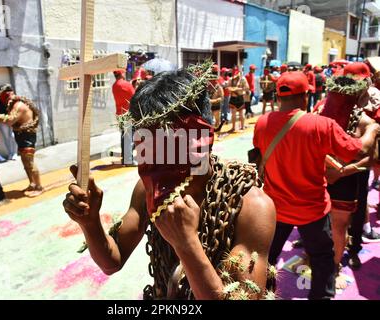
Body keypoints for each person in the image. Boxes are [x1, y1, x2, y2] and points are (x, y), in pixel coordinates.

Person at [63, 64, 277, 300]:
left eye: (171, 143)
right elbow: (112, 262)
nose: (158, 160)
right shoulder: (147, 190)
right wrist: (90, 222)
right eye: (148, 148)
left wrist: (186, 243)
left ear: (202, 139)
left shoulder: (252, 207)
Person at [254, 71, 379, 300]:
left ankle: (264, 294)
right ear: (306, 97)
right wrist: (372, 130)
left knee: (267, 257)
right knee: (322, 258)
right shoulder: (321, 125)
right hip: (312, 210)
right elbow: (358, 150)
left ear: (278, 97)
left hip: (275, 208)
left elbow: (260, 156)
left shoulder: (261, 123)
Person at [317, 63, 380, 284]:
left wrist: (341, 172)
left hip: (345, 180)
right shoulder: (320, 110)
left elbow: (369, 157)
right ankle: (324, 261)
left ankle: (335, 264)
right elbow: (312, 143)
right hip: (321, 178)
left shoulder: (365, 119)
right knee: (322, 223)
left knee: (338, 224)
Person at [0, 84, 43, 198]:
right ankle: (32, 183)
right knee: (26, 163)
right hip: (21, 135)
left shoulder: (18, 105)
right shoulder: (14, 104)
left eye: (1, 96)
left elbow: (10, 120)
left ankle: (39, 186)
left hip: (26, 136)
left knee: (29, 162)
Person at [112, 70, 137, 166]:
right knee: (129, 137)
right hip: (127, 114)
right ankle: (128, 160)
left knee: (124, 137)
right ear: (122, 73)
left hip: (119, 113)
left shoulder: (114, 85)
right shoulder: (126, 84)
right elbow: (134, 96)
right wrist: (133, 86)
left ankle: (125, 158)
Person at [0, 85, 18, 162]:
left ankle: (15, 153)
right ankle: (10, 153)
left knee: (12, 136)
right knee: (6, 137)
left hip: (10, 119)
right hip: (2, 121)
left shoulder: (11, 100)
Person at [228, 67, 249, 132]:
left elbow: (247, 88)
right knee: (234, 114)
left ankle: (241, 126)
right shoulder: (231, 79)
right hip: (234, 97)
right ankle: (234, 127)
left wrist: (237, 89)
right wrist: (233, 89)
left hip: (239, 97)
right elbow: (229, 89)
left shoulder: (242, 79)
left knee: (241, 113)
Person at [208, 66, 225, 131]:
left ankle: (218, 133)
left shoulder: (218, 86)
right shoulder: (207, 85)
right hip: (209, 106)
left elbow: (221, 97)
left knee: (217, 119)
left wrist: (213, 101)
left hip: (216, 105)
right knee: (210, 120)